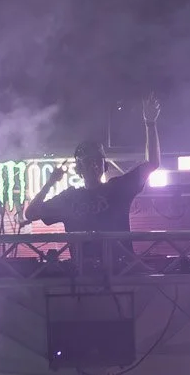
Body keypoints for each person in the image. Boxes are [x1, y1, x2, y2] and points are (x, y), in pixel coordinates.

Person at [22, 97, 162, 271]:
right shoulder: (69, 197)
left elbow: (153, 163)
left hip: (121, 273)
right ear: (79, 169)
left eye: (96, 161)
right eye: (87, 162)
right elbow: (31, 213)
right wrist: (50, 183)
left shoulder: (117, 188)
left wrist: (150, 124)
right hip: (83, 276)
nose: (93, 165)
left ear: (104, 166)